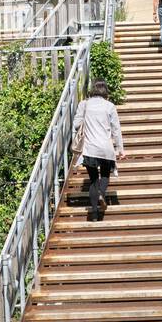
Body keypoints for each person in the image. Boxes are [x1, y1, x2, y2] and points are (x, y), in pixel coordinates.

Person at [72, 80, 125, 221]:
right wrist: (120, 149)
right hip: (106, 149)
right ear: (105, 91)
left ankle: (94, 214)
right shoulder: (110, 106)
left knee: (94, 180)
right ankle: (102, 193)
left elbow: (76, 124)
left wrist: (87, 121)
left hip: (90, 149)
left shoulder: (84, 104)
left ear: (92, 90)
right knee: (105, 176)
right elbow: (116, 129)